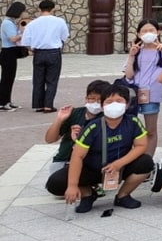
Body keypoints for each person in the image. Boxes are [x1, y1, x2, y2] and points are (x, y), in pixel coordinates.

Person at [55, 84, 155, 213]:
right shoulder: (93, 127)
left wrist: (119, 163)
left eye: (119, 101)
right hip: (93, 169)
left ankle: (123, 196)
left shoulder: (133, 122)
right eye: (109, 101)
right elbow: (77, 156)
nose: (114, 105)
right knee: (55, 183)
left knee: (146, 162)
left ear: (127, 104)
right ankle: (88, 194)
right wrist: (72, 186)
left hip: (120, 167)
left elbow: (141, 146)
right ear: (102, 106)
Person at [122, 19, 162, 156]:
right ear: (138, 34)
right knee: (129, 128)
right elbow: (129, 75)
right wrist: (131, 56)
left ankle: (147, 160)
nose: (148, 33)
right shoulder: (136, 52)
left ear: (158, 32)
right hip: (133, 95)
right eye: (144, 31)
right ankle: (128, 157)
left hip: (152, 96)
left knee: (151, 131)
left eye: (151, 30)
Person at [44, 80, 110, 191]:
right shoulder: (75, 113)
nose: (95, 103)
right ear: (86, 99)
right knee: (56, 185)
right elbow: (49, 139)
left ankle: (88, 186)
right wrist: (59, 120)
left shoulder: (107, 118)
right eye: (92, 99)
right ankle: (86, 186)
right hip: (65, 159)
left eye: (99, 100)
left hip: (90, 161)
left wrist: (80, 140)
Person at [20, 0, 69, 112]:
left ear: (39, 9)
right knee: (52, 80)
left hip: (39, 53)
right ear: (53, 9)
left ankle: (38, 104)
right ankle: (48, 104)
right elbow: (64, 36)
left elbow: (26, 42)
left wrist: (32, 49)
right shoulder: (59, 21)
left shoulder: (32, 24)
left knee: (38, 80)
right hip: (53, 52)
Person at [0, 1, 27, 110]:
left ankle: (7, 100)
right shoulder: (7, 23)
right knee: (6, 78)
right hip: (8, 52)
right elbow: (13, 38)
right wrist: (23, 34)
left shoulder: (11, 22)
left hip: (11, 52)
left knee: (10, 78)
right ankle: (2, 103)